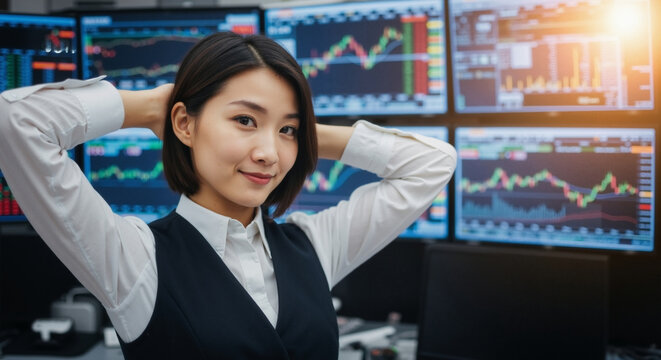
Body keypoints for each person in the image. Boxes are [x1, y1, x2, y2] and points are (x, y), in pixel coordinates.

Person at [0, 32, 456, 359]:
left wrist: (302, 131)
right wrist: (149, 106)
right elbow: (16, 124)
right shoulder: (134, 259)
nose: (269, 154)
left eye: (287, 131)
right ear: (184, 124)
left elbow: (433, 164)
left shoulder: (314, 245)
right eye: (244, 120)